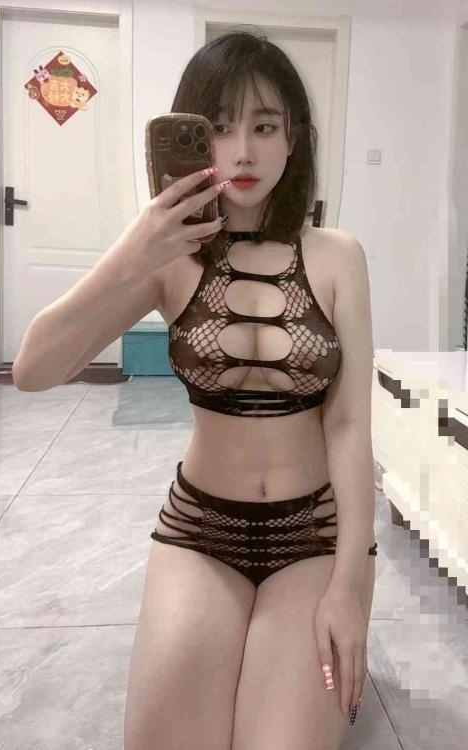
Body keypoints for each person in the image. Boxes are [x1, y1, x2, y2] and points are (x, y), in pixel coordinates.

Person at [124, 30, 377, 750]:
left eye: (264, 127)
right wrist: (137, 243)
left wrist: (350, 586)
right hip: (199, 530)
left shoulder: (338, 258)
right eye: (219, 127)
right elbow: (32, 369)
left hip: (314, 535)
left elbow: (349, 426)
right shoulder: (168, 259)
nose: (241, 152)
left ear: (293, 139)